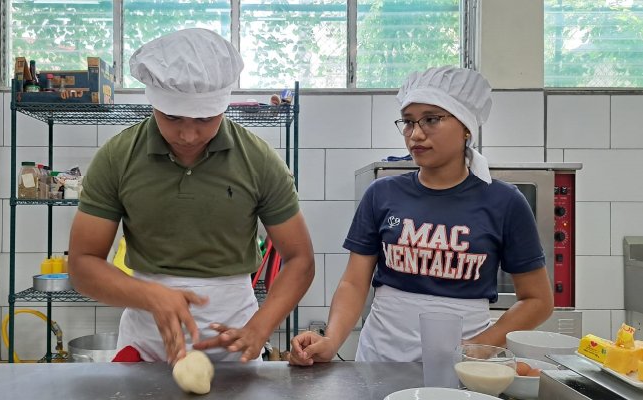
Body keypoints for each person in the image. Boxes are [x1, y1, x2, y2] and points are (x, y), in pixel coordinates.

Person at [68, 28, 315, 364]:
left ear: (222, 106)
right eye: (171, 117)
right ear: (153, 102)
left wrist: (259, 329)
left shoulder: (257, 160)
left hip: (232, 338)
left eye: (204, 119)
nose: (187, 134)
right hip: (148, 341)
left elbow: (300, 260)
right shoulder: (119, 156)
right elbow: (82, 265)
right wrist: (151, 295)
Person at [288, 66, 554, 364]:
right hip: (381, 358)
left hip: (462, 363)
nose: (415, 134)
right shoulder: (382, 193)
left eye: (431, 120)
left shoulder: (504, 202)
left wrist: (478, 346)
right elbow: (354, 282)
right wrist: (331, 339)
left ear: (466, 126)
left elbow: (538, 300)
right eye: (408, 122)